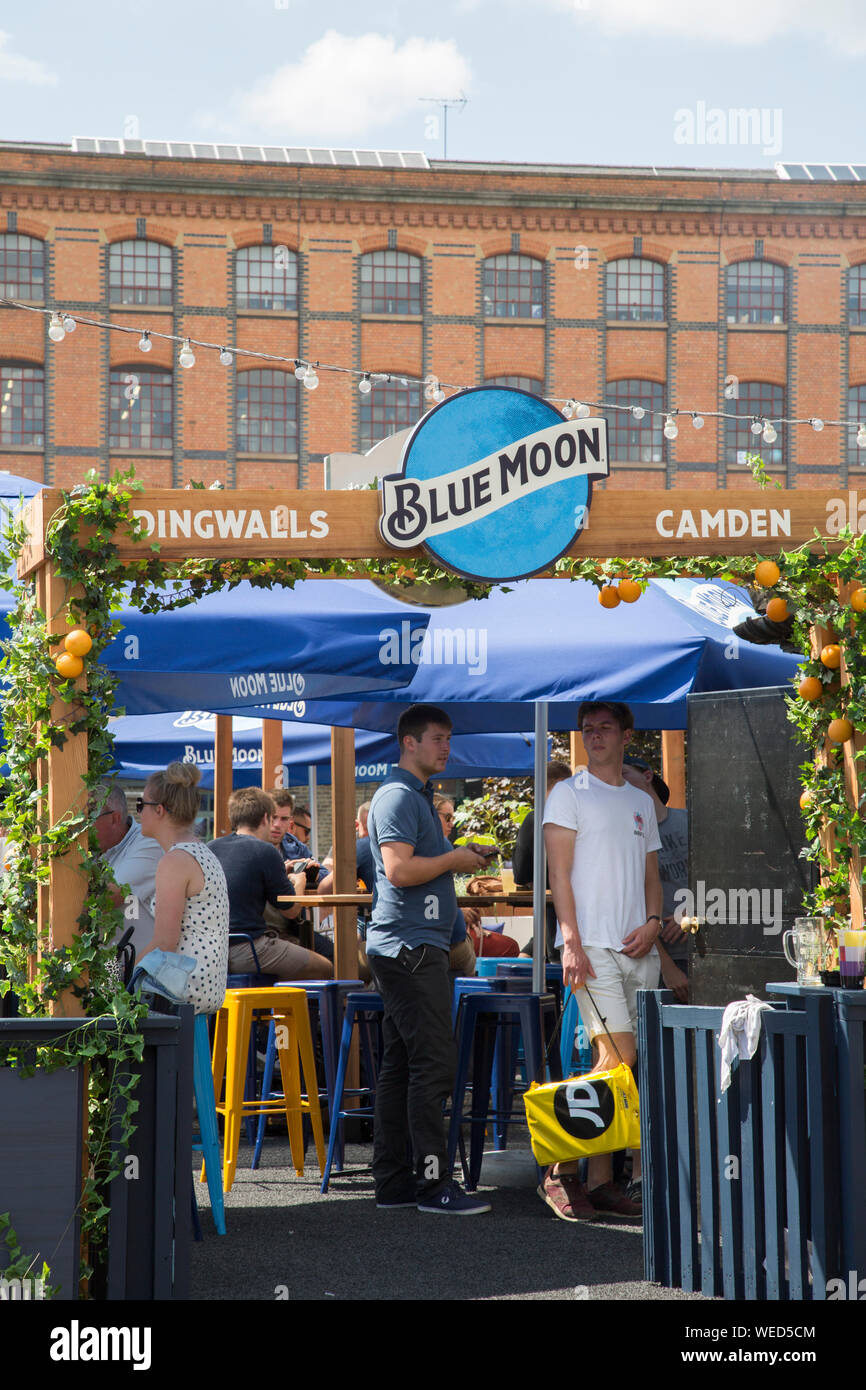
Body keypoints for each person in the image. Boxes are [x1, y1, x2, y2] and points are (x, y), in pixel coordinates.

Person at [366, 703, 494, 1215]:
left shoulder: (415, 796)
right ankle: (433, 1185)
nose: (446, 747)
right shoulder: (398, 795)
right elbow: (398, 870)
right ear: (409, 743)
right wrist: (456, 859)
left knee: (403, 1067)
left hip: (409, 945)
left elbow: (416, 869)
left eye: (448, 738)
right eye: (437, 738)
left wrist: (455, 866)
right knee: (434, 1066)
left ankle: (395, 1184)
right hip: (410, 949)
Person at [542, 700, 662, 1223]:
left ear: (626, 735)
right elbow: (559, 877)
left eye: (604, 727)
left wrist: (655, 924)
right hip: (592, 947)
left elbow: (652, 879)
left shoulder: (640, 800)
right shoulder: (567, 793)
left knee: (624, 1071)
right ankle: (559, 1170)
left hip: (640, 947)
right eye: (587, 729)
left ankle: (600, 1180)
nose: (594, 735)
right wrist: (570, 941)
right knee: (620, 1058)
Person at [134, 763, 229, 1015]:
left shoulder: (175, 861)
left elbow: (165, 942)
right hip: (206, 987)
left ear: (160, 810)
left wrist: (124, 978)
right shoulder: (201, 851)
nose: (139, 813)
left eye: (141, 805)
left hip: (181, 992)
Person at [209, 787, 332, 981]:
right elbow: (291, 911)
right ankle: (293, 1008)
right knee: (325, 967)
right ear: (265, 818)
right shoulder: (265, 851)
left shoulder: (212, 847)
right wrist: (298, 881)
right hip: (249, 946)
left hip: (213, 949)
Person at [621, 755, 689, 1003]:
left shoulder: (689, 821)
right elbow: (632, 904)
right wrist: (667, 966)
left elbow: (724, 879)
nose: (619, 783)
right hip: (654, 958)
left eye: (624, 774)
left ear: (647, 775)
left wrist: (694, 911)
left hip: (702, 949)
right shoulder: (624, 837)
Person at [92, 782, 163, 958]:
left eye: (88, 816)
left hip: (139, 976)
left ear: (114, 818)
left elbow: (108, 898)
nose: (81, 825)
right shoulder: (92, 850)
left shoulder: (148, 843)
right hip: (111, 971)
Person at [433, 794, 476, 977]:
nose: (452, 824)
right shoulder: (441, 845)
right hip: (446, 945)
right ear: (432, 816)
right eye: (447, 818)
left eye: (453, 818)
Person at [269, 789, 295, 853]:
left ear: (290, 821)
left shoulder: (298, 848)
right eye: (273, 817)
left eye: (284, 819)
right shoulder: (247, 848)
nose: (277, 824)